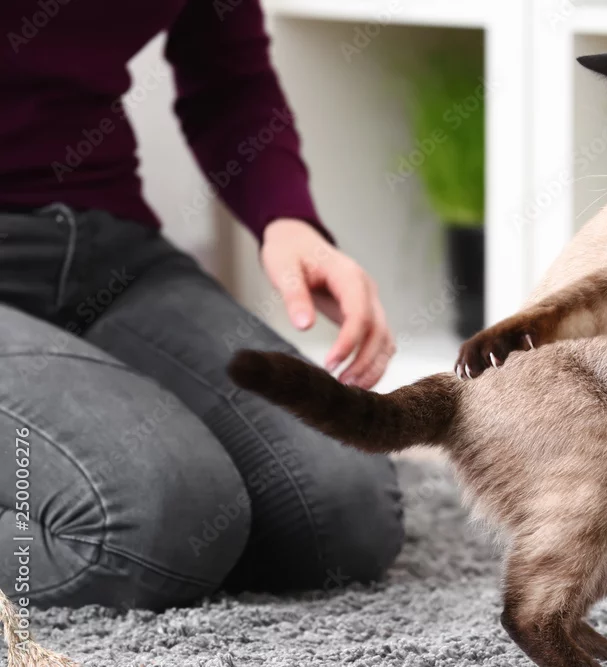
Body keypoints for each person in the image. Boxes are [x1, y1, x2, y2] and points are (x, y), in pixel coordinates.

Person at [0, 0, 404, 609]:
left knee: (344, 512)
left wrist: (287, 219)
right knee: (143, 521)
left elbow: (228, 77)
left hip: (108, 248)